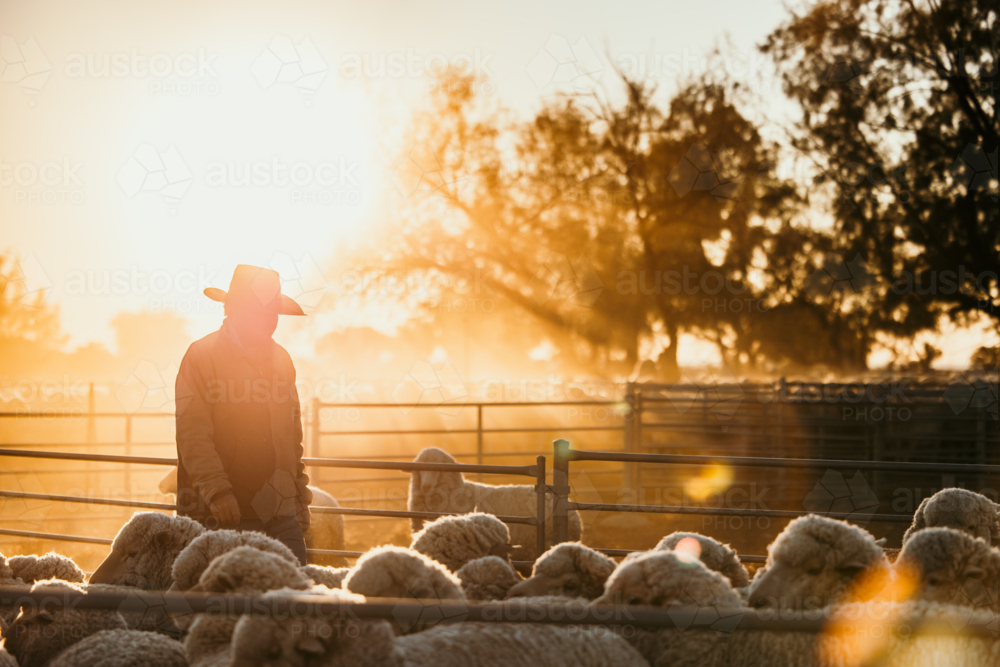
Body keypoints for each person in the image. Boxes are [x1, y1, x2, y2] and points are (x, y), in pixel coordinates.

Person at [174, 264, 311, 564]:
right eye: (261, 313)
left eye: (273, 313)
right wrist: (218, 492)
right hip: (222, 511)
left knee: (295, 592)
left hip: (278, 508)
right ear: (234, 311)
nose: (270, 321)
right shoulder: (202, 356)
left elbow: (291, 436)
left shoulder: (281, 359)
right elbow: (192, 431)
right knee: (225, 601)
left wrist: (299, 496)